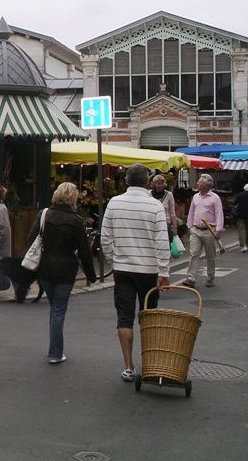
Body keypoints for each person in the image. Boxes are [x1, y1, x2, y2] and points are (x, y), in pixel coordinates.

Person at [101, 163, 170, 382]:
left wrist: (114, 258)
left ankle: (128, 366)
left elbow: (105, 238)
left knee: (124, 318)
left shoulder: (114, 202)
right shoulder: (155, 206)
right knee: (148, 317)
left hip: (123, 269)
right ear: (148, 182)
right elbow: (162, 241)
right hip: (148, 270)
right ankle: (148, 363)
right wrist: (164, 271)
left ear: (127, 180)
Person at [27, 182, 96, 364]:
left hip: (45, 268)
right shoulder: (76, 221)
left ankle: (55, 349)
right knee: (58, 310)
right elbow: (84, 251)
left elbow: (30, 239)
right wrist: (91, 275)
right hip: (66, 269)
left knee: (54, 308)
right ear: (73, 198)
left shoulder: (44, 214)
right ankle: (55, 352)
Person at [184, 173, 224, 288]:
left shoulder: (215, 198)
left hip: (209, 229)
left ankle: (210, 277)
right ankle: (191, 278)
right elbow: (192, 212)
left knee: (210, 256)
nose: (197, 183)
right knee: (194, 254)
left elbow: (219, 213)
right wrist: (189, 226)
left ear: (207, 185)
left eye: (200, 182)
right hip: (196, 229)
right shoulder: (195, 196)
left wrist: (218, 229)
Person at [149, 174, 178, 240]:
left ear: (164, 184)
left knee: (166, 244)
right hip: (152, 223)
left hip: (166, 224)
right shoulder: (148, 194)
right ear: (154, 184)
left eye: (161, 183)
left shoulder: (169, 195)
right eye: (157, 183)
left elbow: (172, 213)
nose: (159, 185)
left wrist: (175, 227)